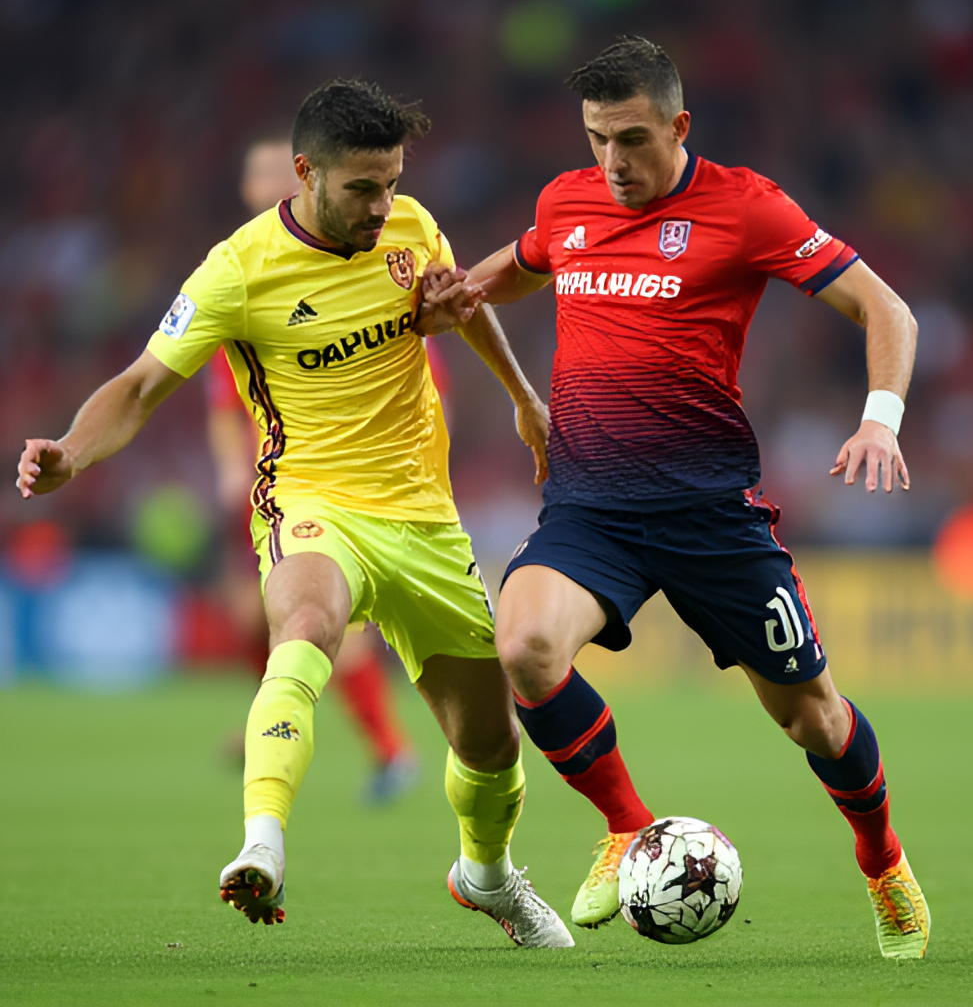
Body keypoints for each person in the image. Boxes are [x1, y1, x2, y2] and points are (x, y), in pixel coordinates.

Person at [16, 78, 573, 949]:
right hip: (310, 499)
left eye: (391, 182)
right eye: (362, 188)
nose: (381, 204)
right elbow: (139, 386)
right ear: (306, 174)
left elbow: (461, 306)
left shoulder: (413, 226)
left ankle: (489, 877)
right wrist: (71, 454)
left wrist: (524, 399)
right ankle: (262, 843)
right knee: (305, 624)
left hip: (424, 519)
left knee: (493, 747)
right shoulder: (237, 269)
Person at [441, 36, 929, 959]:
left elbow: (887, 309)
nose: (613, 163)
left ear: (680, 125)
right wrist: (461, 291)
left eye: (631, 138)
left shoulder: (747, 206)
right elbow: (525, 262)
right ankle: (627, 826)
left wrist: (880, 420)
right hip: (592, 510)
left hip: (711, 517)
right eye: (596, 139)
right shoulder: (567, 198)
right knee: (525, 645)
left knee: (813, 718)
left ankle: (883, 861)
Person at [208, 134, 418, 803]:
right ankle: (276, 717)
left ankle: (391, 751)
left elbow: (416, 367)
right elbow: (220, 396)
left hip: (334, 482)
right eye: (257, 173)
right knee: (249, 616)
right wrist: (227, 467)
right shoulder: (241, 274)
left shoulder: (366, 264)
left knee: (319, 621)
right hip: (270, 479)